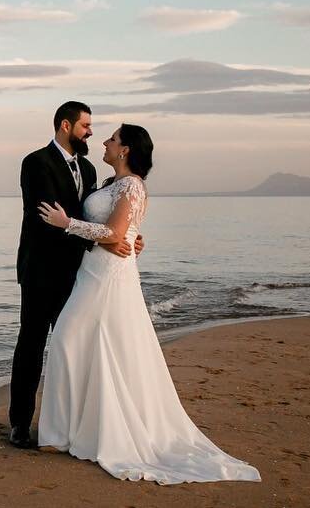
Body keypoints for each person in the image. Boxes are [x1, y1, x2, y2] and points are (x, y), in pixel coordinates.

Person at [35, 124, 261, 485]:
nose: (105, 143)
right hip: (91, 271)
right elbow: (120, 232)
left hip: (108, 276)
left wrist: (67, 224)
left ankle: (69, 433)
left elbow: (113, 232)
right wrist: (130, 238)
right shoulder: (109, 184)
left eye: (112, 139)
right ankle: (67, 431)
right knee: (77, 343)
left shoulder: (132, 185)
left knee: (68, 339)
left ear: (124, 150)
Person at [9, 102, 142, 449]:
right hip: (40, 270)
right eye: (86, 126)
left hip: (80, 275)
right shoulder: (35, 163)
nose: (91, 133)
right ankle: (20, 424)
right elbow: (46, 217)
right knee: (32, 346)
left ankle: (72, 424)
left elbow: (97, 218)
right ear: (66, 126)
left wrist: (123, 237)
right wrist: (104, 242)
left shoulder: (88, 168)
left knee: (74, 345)